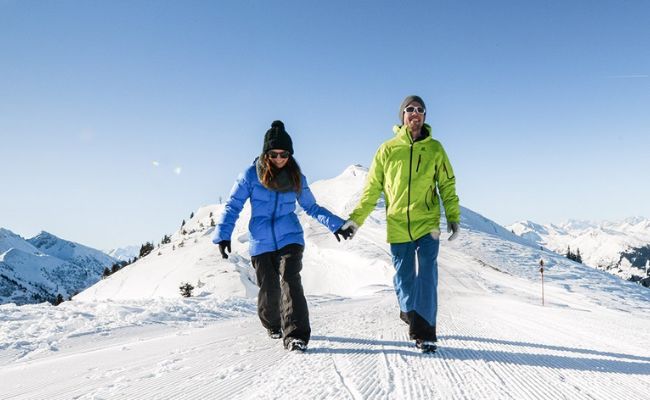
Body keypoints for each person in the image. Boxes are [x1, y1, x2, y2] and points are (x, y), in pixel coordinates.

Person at [213, 120, 354, 352]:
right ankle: (272, 323)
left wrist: (337, 225)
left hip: (290, 238)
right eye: (274, 154)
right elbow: (232, 205)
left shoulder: (296, 176)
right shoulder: (251, 175)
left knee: (290, 280)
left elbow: (312, 207)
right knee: (268, 290)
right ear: (265, 153)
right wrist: (223, 234)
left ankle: (296, 335)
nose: (279, 159)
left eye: (284, 154)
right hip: (261, 241)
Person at [342, 95, 460, 353]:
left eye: (420, 110)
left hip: (428, 224)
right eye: (410, 109)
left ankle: (426, 331)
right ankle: (408, 310)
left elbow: (447, 185)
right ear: (402, 116)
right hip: (397, 225)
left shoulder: (435, 149)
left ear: (425, 117)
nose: (415, 113)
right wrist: (356, 221)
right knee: (404, 278)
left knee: (427, 273)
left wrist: (453, 216)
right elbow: (372, 189)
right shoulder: (387, 150)